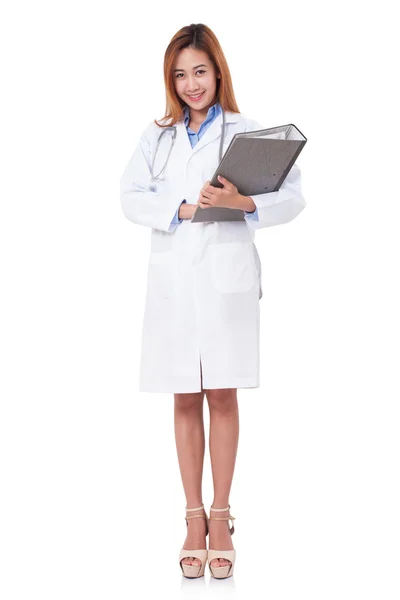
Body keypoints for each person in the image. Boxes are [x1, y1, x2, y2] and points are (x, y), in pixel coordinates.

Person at [120, 23, 306, 579]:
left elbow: (294, 198)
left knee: (221, 392)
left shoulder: (249, 133)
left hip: (225, 278)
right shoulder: (157, 137)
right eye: (180, 75)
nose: (190, 84)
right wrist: (178, 208)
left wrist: (241, 199)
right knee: (183, 393)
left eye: (199, 71)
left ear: (218, 71)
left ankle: (222, 516)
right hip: (176, 279)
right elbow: (129, 195)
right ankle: (193, 517)